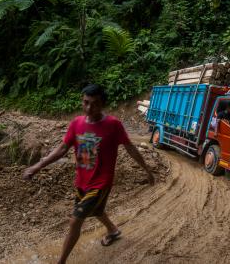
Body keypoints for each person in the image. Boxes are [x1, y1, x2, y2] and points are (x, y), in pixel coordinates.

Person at [22, 84, 155, 264]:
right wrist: (37, 166)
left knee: (75, 221)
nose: (89, 108)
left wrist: (147, 169)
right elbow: (62, 149)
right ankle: (113, 231)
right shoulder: (76, 123)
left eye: (95, 104)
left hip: (101, 183)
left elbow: (130, 148)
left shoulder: (113, 125)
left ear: (103, 104)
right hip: (82, 181)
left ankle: (61, 261)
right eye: (86, 103)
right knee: (97, 210)